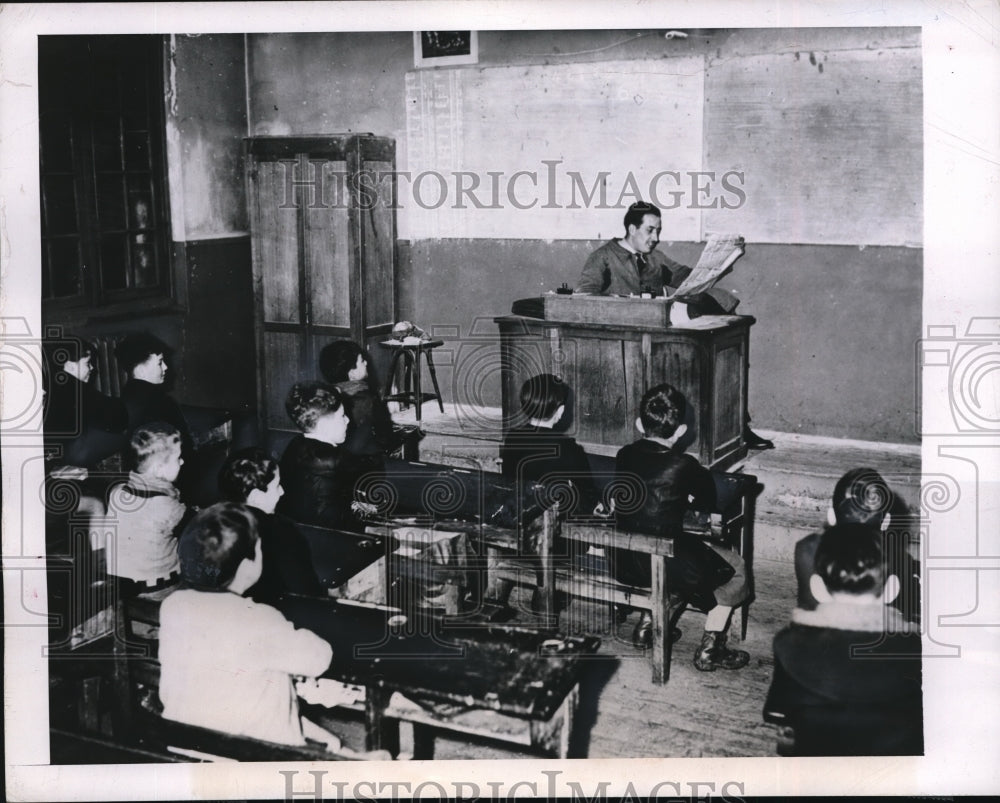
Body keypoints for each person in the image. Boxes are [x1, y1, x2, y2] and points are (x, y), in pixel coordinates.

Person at [158, 502, 361, 751]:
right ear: (248, 565)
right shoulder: (260, 619)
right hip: (254, 761)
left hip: (187, 749)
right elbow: (320, 658)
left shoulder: (174, 606)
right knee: (371, 757)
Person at [575, 201, 773, 450]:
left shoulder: (654, 258)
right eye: (650, 230)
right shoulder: (603, 257)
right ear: (631, 228)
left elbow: (686, 278)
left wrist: (717, 267)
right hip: (628, 346)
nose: (655, 238)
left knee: (719, 326)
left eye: (658, 231)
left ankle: (736, 428)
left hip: (664, 337)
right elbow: (585, 294)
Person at [612, 383, 750, 670]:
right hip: (666, 561)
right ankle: (711, 648)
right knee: (734, 570)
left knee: (674, 562)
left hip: (624, 561)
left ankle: (648, 624)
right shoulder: (685, 465)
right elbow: (707, 503)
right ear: (681, 431)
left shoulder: (624, 455)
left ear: (639, 424)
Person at [767, 524, 923, 755]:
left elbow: (777, 709)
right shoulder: (916, 650)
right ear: (892, 589)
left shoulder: (787, 643)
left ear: (818, 588)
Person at [492, 373, 599, 610]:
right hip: (554, 541)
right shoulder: (569, 450)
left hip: (515, 531)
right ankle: (547, 591)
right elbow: (588, 495)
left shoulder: (513, 438)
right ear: (560, 411)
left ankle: (504, 591)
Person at [794, 467, 920, 625]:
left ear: (831, 516)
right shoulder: (894, 554)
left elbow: (807, 607)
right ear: (886, 522)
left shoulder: (807, 548)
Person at [218, 447, 324, 606]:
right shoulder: (282, 532)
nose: (282, 492)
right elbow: (306, 593)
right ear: (255, 497)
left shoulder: (212, 521)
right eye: (276, 486)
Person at [102, 422, 192, 598]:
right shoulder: (167, 507)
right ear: (160, 468)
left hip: (121, 588)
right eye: (178, 458)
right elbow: (199, 528)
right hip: (159, 590)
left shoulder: (117, 491)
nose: (183, 461)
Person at [277, 381, 370, 532]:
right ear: (323, 425)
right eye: (342, 416)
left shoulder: (296, 443)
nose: (347, 420)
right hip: (326, 536)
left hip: (297, 530)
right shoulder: (334, 459)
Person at [42, 334, 128, 471]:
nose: (93, 368)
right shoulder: (75, 389)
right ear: (69, 366)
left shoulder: (54, 386)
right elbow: (118, 416)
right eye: (87, 363)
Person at [318, 340, 401, 468]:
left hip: (334, 462)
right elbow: (385, 436)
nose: (366, 363)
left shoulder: (325, 398)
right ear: (352, 373)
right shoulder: (368, 398)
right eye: (362, 361)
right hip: (365, 466)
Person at [116, 332, 192, 451]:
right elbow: (183, 445)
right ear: (140, 369)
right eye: (160, 362)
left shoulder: (127, 394)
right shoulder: (161, 402)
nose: (165, 367)